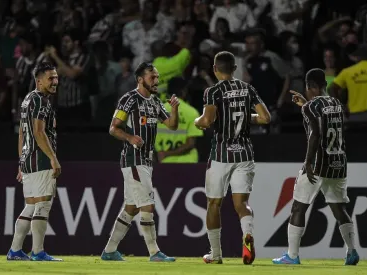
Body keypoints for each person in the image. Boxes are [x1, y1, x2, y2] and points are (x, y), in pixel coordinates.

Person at [272, 69, 359, 265]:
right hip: (339, 162)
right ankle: (352, 251)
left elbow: (316, 134)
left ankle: (292, 256)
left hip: (319, 163)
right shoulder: (336, 103)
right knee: (339, 208)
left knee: (298, 207)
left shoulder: (311, 107)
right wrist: (306, 104)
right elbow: (325, 119)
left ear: (309, 86)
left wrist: (308, 162)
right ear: (324, 85)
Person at [194, 51, 271, 265]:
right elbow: (265, 118)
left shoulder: (213, 91)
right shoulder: (248, 89)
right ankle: (247, 234)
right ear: (235, 69)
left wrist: (196, 121)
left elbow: (207, 120)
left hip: (221, 154)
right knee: (242, 204)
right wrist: (248, 118)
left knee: (214, 204)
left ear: (215, 69)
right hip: (245, 154)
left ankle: (216, 254)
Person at [101, 62, 179, 262]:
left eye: (157, 77)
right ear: (140, 79)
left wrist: (175, 109)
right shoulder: (129, 99)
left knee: (132, 207)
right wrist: (130, 137)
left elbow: (171, 125)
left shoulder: (154, 101)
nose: (156, 81)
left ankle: (109, 251)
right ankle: (154, 253)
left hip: (146, 160)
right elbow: (113, 128)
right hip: (133, 159)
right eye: (152, 77)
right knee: (147, 205)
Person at [7, 62, 62, 261]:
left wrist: (21, 161)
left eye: (56, 77)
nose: (55, 81)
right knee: (43, 205)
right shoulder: (41, 101)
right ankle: (38, 252)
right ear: (39, 81)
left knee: (30, 206)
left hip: (28, 159)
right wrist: (53, 158)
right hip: (40, 159)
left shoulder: (27, 100)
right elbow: (38, 132)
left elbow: (22, 132)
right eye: (50, 78)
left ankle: (15, 250)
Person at [155, 77, 203, 163]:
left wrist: (163, 154)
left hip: (163, 162)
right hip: (187, 162)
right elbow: (190, 143)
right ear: (184, 91)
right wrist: (168, 153)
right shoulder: (192, 112)